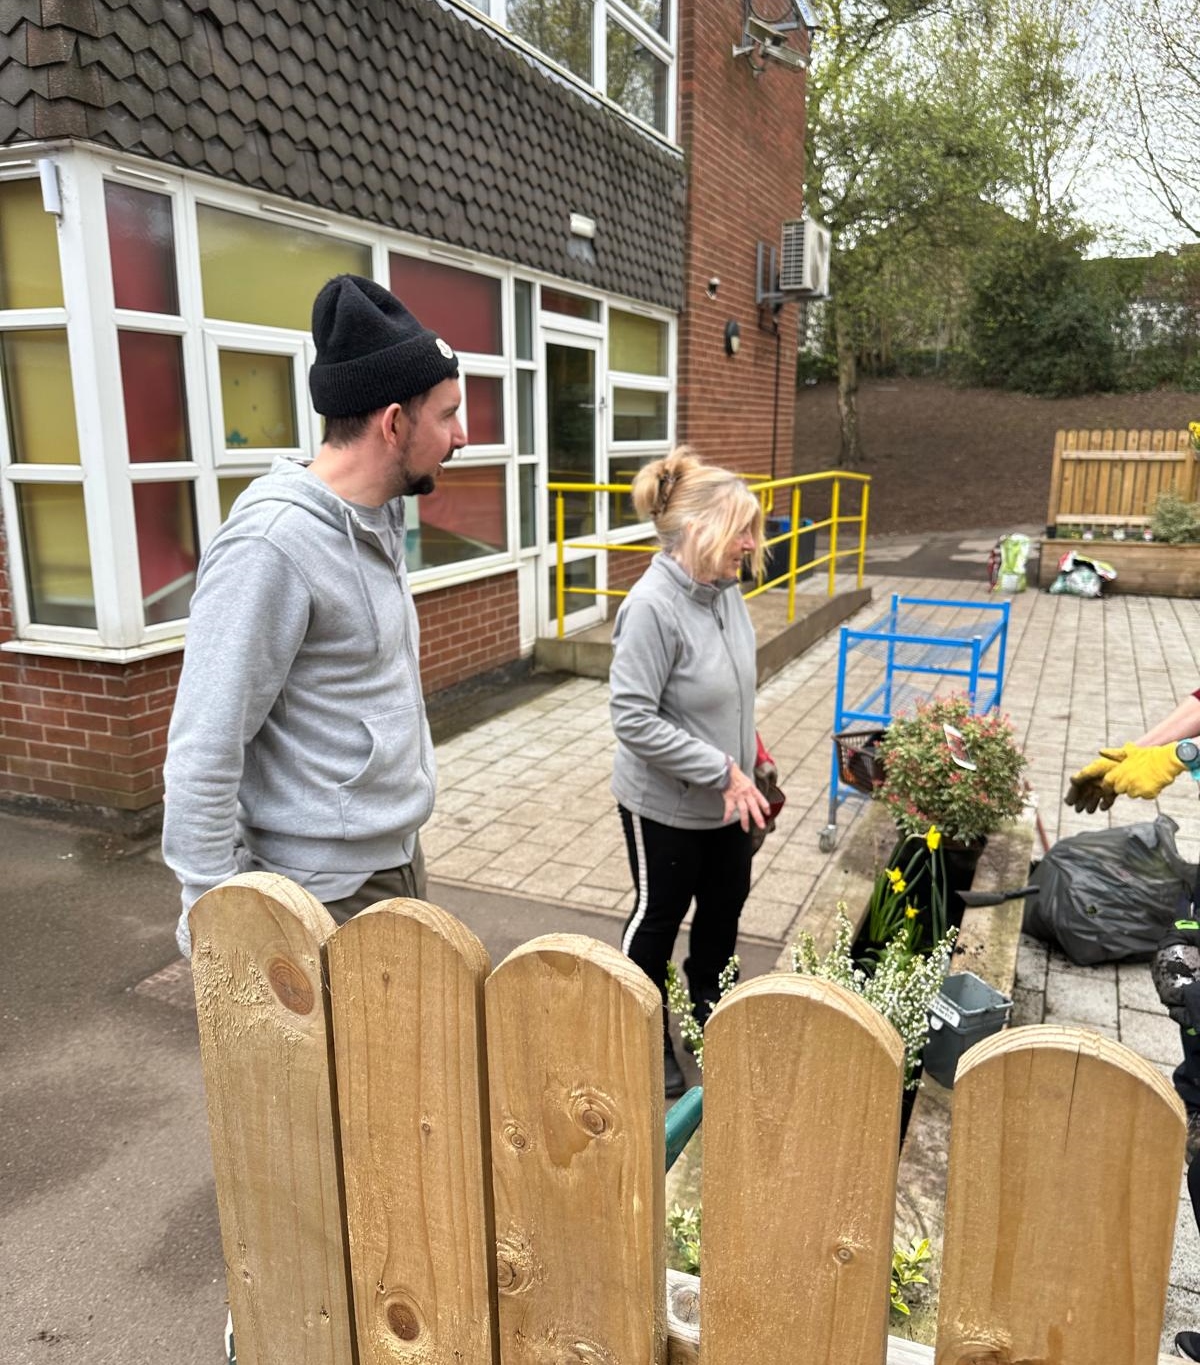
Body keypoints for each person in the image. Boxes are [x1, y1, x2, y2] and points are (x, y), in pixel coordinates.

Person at [162, 274, 466, 957]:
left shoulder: (376, 516)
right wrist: (219, 921)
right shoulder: (272, 544)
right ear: (394, 423)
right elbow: (203, 748)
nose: (462, 435)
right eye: (447, 414)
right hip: (325, 893)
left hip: (392, 859)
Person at [608, 447, 771, 1098]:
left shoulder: (725, 594)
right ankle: (637, 1026)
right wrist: (720, 768)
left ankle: (712, 1011)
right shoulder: (650, 607)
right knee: (658, 916)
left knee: (724, 910)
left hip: (731, 798)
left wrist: (753, 754)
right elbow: (632, 718)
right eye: (742, 528)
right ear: (702, 529)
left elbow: (733, 686)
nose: (753, 543)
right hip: (665, 806)